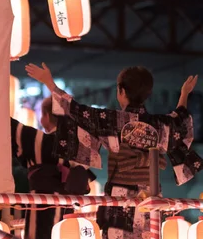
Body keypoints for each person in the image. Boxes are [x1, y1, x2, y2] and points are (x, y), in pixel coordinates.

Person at [25, 63, 201, 239]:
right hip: (151, 197)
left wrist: (49, 83)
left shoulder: (113, 121)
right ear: (147, 94)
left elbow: (75, 110)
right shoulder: (160, 125)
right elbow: (180, 120)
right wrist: (184, 94)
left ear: (121, 91)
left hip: (120, 197)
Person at [11, 97, 96, 239]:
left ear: (47, 116)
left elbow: (12, 128)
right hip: (69, 206)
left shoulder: (40, 141)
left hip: (42, 204)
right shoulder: (80, 149)